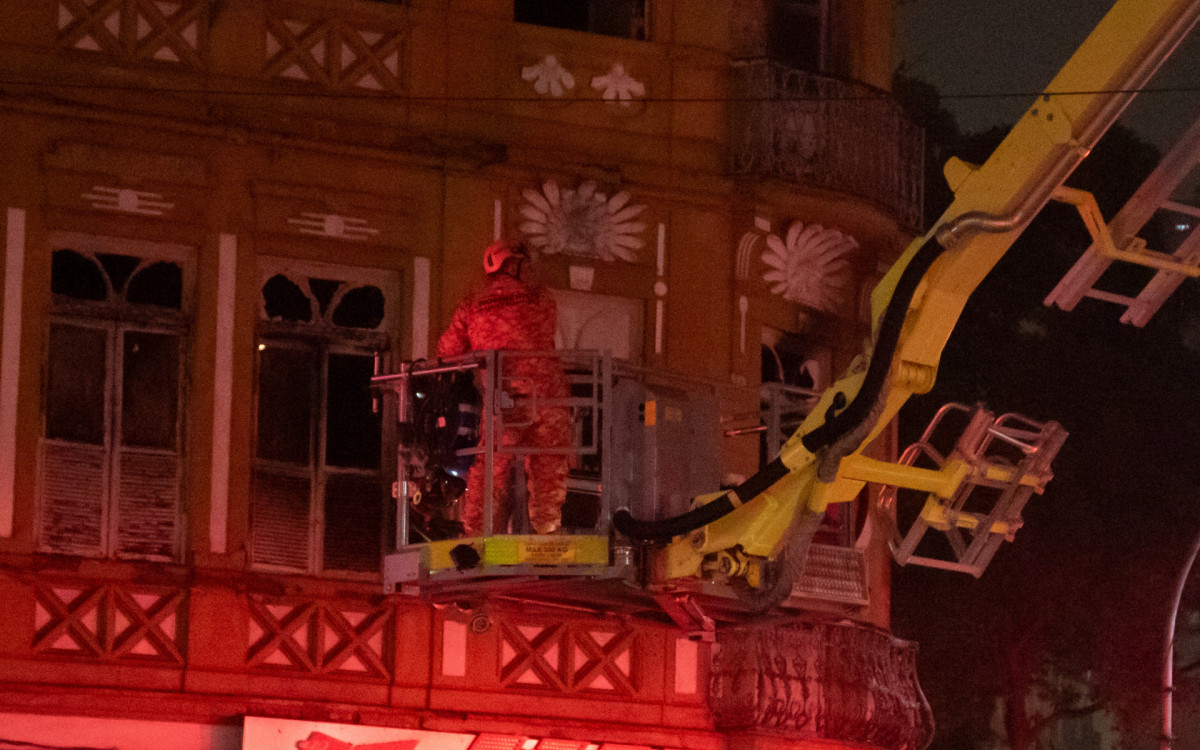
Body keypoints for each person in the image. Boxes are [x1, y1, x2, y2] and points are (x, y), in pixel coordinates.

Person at [437, 240, 571, 536]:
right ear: (512, 265)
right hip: (546, 399)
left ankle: (473, 531)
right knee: (549, 466)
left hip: (502, 401)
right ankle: (547, 531)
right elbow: (543, 325)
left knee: (489, 470)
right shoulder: (540, 299)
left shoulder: (472, 305)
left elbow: (447, 349)